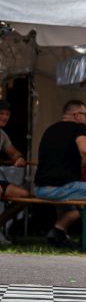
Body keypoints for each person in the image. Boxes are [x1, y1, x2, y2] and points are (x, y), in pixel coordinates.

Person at [32, 100, 86, 249]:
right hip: (63, 187)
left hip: (40, 189)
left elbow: (60, 160)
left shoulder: (50, 129)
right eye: (85, 115)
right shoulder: (79, 127)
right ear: (77, 115)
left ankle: (58, 232)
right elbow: (85, 150)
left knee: (73, 212)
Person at [0, 99, 31, 245]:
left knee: (24, 196)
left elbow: (13, 152)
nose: (5, 117)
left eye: (7, 114)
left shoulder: (2, 134)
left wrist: (19, 158)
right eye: (1, 113)